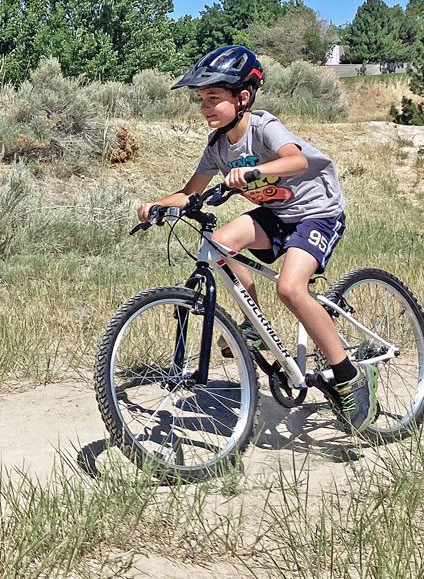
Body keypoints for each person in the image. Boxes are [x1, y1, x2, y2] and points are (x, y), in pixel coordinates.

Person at [136, 45, 378, 432]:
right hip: (277, 215)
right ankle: (251, 329)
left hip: (317, 213)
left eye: (214, 98)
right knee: (217, 243)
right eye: (202, 100)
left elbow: (296, 160)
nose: (205, 107)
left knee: (290, 288)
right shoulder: (217, 147)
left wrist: (253, 173)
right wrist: (158, 205)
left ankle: (348, 376)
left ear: (243, 97)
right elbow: (190, 191)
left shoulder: (264, 127)